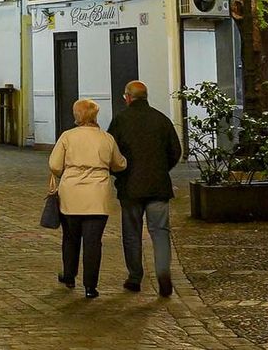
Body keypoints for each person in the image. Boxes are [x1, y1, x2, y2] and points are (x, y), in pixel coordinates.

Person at [108, 79, 183, 297]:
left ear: (128, 97)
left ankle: (134, 277)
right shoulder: (161, 119)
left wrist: (119, 173)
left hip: (130, 186)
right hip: (158, 185)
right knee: (160, 232)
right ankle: (162, 273)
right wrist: (161, 169)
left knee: (132, 233)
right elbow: (175, 151)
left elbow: (111, 153)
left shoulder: (120, 120)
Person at [46, 97, 126, 300]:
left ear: (77, 115)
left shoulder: (68, 136)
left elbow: (55, 165)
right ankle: (90, 286)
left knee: (70, 238)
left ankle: (69, 275)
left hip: (71, 193)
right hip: (97, 195)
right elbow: (119, 164)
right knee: (93, 242)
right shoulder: (106, 138)